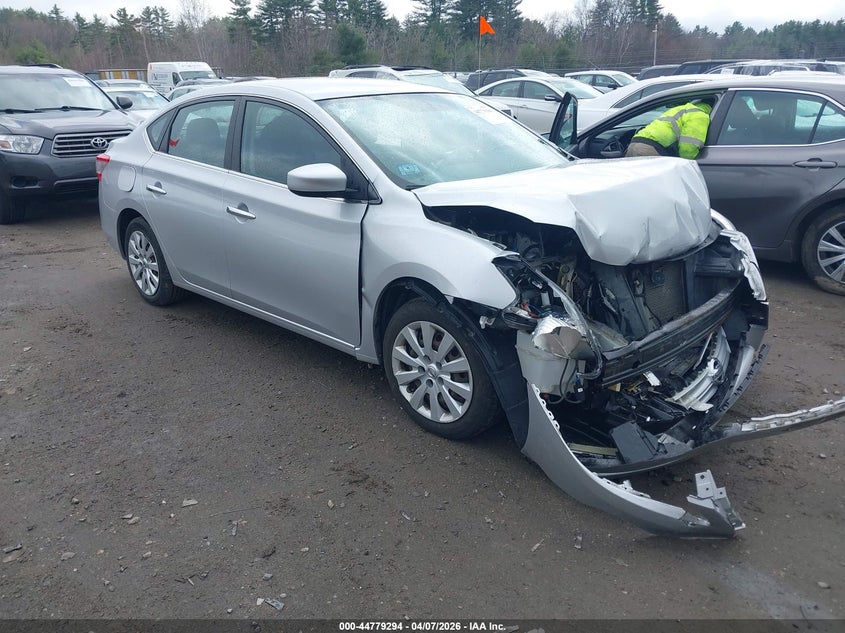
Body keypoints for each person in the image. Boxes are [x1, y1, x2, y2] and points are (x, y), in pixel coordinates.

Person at [625, 99, 714, 159]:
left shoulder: (683, 108)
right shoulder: (700, 116)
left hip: (635, 144)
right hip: (651, 150)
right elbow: (687, 150)